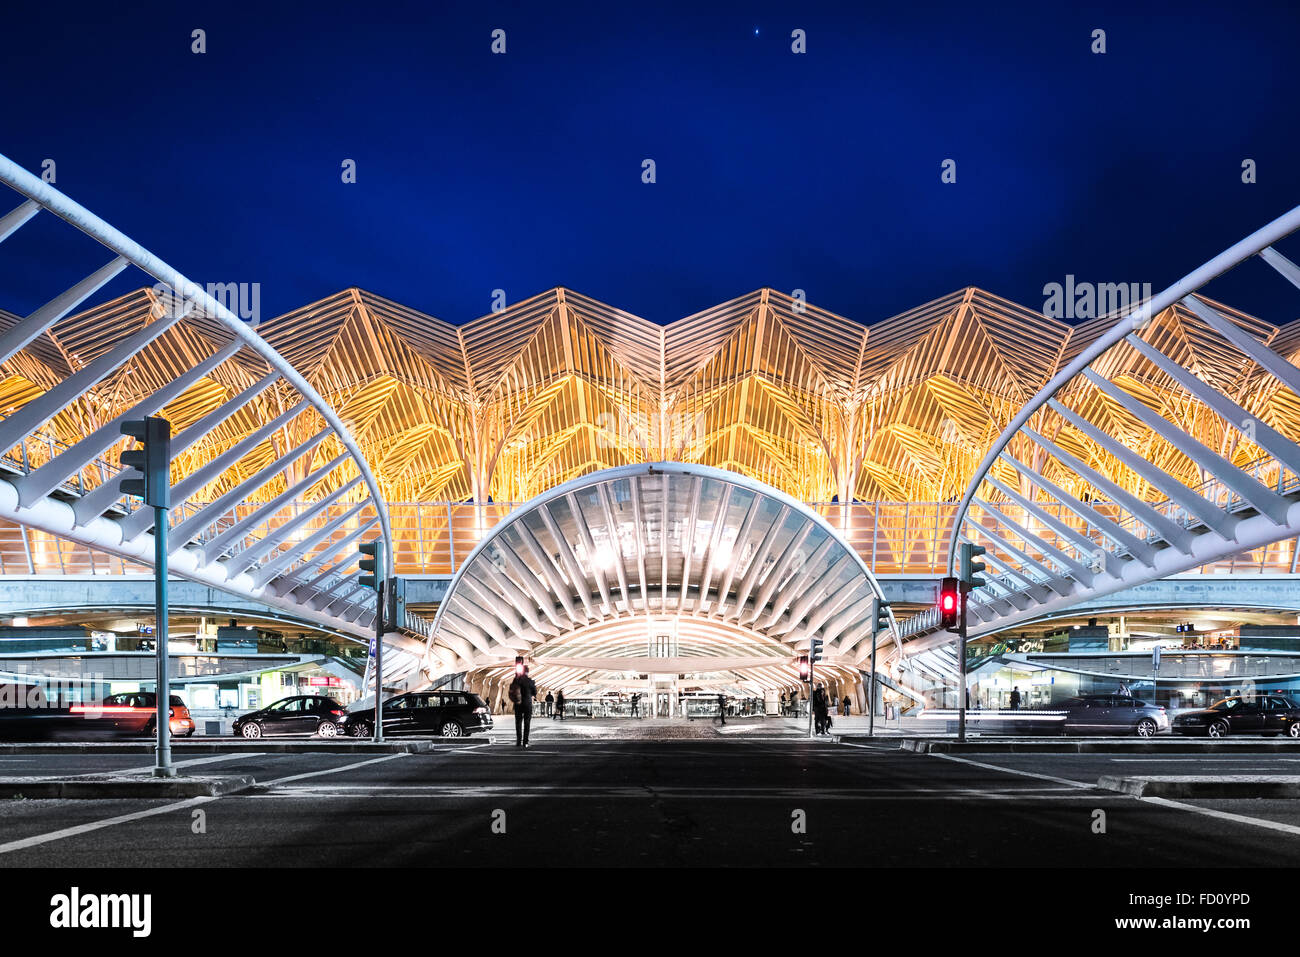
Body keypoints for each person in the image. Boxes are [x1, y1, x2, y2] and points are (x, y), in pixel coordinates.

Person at [508, 666, 538, 748]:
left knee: (518, 722)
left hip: (518, 704)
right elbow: (534, 692)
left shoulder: (516, 680)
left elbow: (512, 689)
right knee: (527, 723)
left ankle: (518, 741)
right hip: (527, 705)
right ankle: (525, 742)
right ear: (527, 672)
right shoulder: (530, 681)